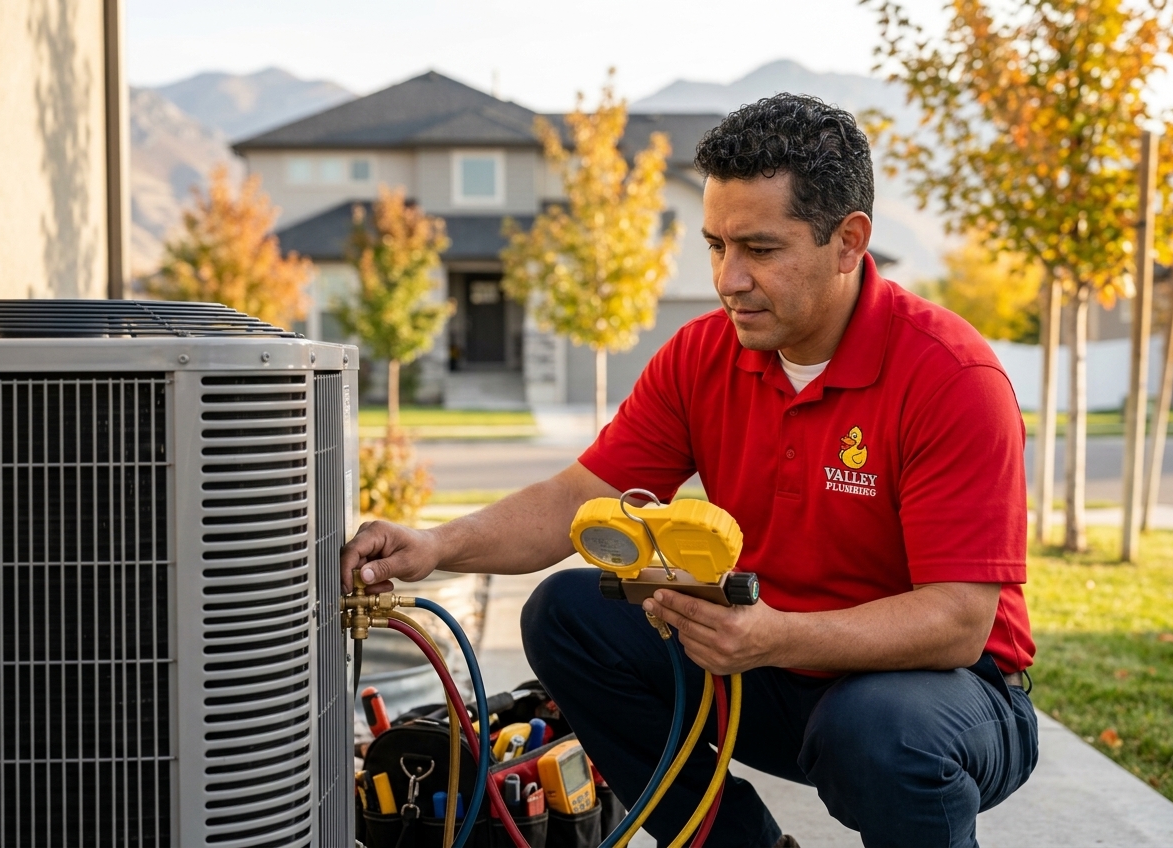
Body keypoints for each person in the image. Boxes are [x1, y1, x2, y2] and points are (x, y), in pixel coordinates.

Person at [342, 93, 1038, 848]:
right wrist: (436, 545)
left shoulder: (950, 376)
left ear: (848, 241)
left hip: (940, 694)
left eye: (760, 250)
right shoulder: (703, 355)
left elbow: (956, 623)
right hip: (766, 661)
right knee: (567, 615)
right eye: (716, 245)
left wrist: (775, 638)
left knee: (879, 730)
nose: (728, 279)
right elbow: (578, 499)